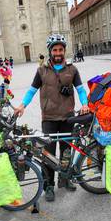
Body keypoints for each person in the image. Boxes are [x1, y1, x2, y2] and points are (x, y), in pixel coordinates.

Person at [14, 34, 90, 202]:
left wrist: (84, 104)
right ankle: (49, 185)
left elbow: (80, 89)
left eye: (60, 50)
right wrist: (22, 105)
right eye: (55, 50)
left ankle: (65, 179)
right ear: (50, 51)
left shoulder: (72, 70)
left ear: (64, 51)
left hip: (68, 117)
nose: (58, 53)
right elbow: (32, 90)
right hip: (48, 118)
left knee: (66, 151)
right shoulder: (42, 71)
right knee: (47, 154)